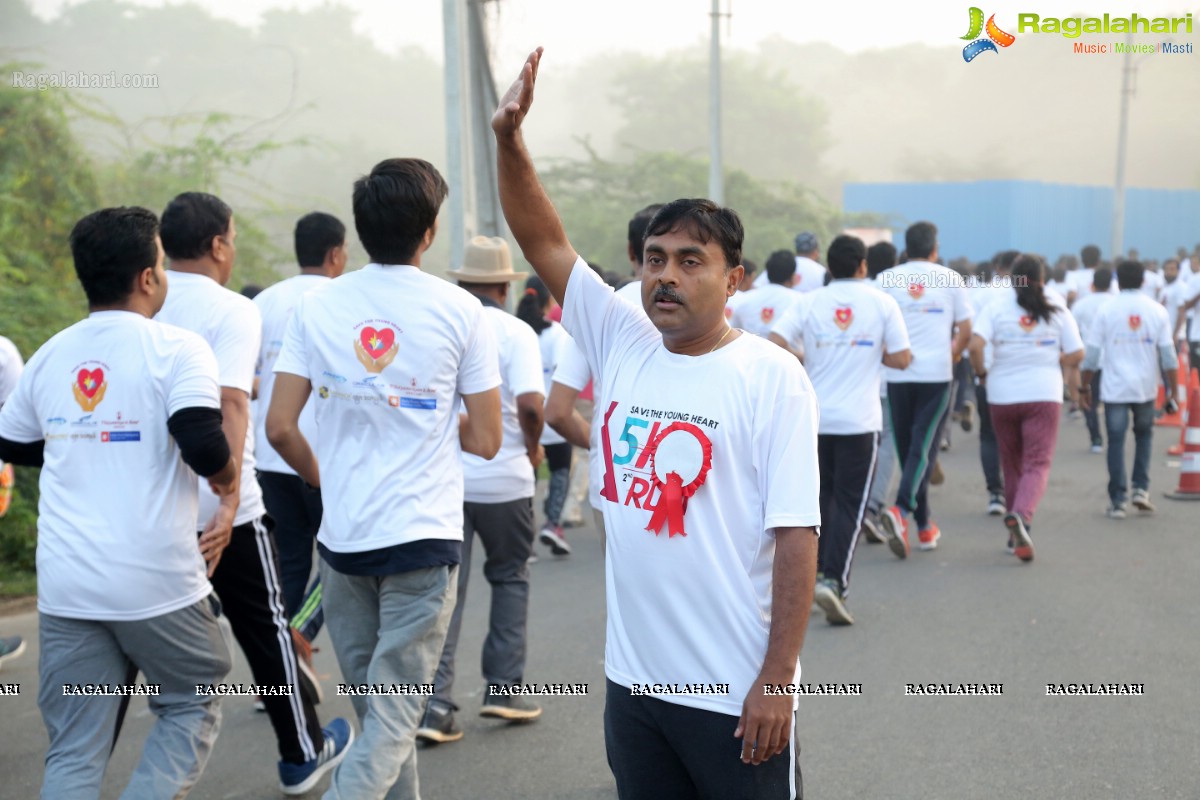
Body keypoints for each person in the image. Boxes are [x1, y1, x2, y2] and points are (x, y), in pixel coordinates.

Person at [495, 48, 819, 799]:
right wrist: (510, 141)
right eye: (653, 259)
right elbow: (542, 239)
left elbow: (797, 534)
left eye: (689, 261)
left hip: (734, 695)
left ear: (733, 279)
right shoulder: (623, 335)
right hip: (634, 690)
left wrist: (777, 678)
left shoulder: (772, 378)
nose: (665, 275)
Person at [266, 157, 503, 800]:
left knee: (380, 716)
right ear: (428, 232)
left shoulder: (317, 308)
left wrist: (326, 478)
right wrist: (422, 421)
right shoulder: (462, 310)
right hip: (422, 539)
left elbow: (281, 428)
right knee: (396, 717)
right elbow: (486, 439)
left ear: (361, 230)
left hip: (344, 541)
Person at [0, 206, 237, 798]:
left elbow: (11, 440)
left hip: (67, 586)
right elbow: (203, 442)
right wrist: (229, 478)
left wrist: (77, 444)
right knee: (192, 701)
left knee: (77, 743)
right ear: (148, 276)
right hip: (156, 582)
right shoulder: (178, 349)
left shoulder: (54, 354)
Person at [155, 192, 350, 795]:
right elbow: (232, 402)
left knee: (141, 637)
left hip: (161, 504)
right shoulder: (235, 308)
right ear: (218, 245)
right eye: (232, 238)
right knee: (270, 620)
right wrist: (232, 492)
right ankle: (300, 748)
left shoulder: (147, 299)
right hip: (241, 497)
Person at [417, 236, 546, 745]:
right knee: (511, 577)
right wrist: (532, 450)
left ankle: (436, 706)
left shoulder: (440, 327)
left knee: (447, 592)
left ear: (464, 283)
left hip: (447, 478)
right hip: (506, 480)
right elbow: (532, 407)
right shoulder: (516, 333)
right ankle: (503, 690)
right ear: (503, 286)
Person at [770, 235, 910, 625]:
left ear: (828, 266)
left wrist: (806, 356)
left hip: (813, 419)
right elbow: (901, 358)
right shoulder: (882, 302)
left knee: (818, 502)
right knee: (848, 504)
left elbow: (776, 341)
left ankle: (809, 579)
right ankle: (833, 581)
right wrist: (867, 350)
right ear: (863, 266)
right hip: (860, 422)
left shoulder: (809, 301)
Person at [253, 212, 348, 673]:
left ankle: (282, 668)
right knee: (342, 555)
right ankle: (301, 635)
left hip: (271, 457)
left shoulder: (263, 303)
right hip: (326, 456)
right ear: (335, 254)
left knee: (289, 562)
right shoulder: (341, 302)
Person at [969, 254, 1084, 561]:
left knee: (1012, 464)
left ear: (1011, 277)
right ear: (1043, 278)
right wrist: (1052, 360)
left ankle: (1015, 537)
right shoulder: (1056, 304)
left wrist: (982, 375)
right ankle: (1022, 517)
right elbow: (1077, 353)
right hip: (1043, 395)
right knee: (1037, 463)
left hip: (1001, 395)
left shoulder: (996, 306)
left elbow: (975, 346)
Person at [874, 221, 972, 556]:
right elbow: (966, 327)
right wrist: (954, 355)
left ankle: (924, 526)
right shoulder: (950, 278)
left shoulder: (885, 279)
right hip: (935, 376)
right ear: (934, 248)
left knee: (914, 450)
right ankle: (902, 510)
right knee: (921, 448)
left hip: (896, 376)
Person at [1080, 260, 1177, 519]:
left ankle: (1118, 500)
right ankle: (1141, 490)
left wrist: (1084, 385)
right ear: (1144, 280)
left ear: (1117, 281)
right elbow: (1168, 356)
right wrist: (1173, 391)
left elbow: (1091, 356)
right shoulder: (1157, 311)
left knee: (1116, 441)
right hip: (1145, 387)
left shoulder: (1106, 309)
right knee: (1144, 437)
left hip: (1115, 387)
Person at [517, 274, 575, 555]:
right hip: (552, 416)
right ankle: (552, 524)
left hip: (522, 420)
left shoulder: (515, 331)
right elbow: (563, 370)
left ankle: (524, 539)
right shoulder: (555, 333)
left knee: (527, 478)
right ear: (547, 300)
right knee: (560, 471)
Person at [1070, 267, 1115, 453]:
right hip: (1113, 361)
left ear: (1092, 284)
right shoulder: (1115, 303)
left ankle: (1096, 439)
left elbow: (1073, 333)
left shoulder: (1081, 305)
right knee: (1113, 402)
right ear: (1111, 284)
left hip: (1089, 360)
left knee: (1089, 400)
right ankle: (1114, 437)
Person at [731, 249, 802, 338]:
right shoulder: (800, 301)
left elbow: (735, 333)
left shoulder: (744, 299)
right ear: (792, 275)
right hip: (787, 352)